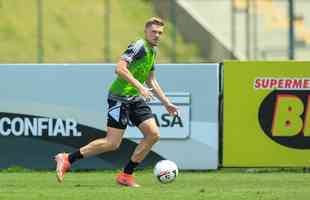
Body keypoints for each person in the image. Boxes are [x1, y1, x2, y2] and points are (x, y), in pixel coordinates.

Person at [54, 17, 178, 187]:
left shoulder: (153, 51)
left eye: (160, 33)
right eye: (154, 32)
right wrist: (139, 87)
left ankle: (126, 176)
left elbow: (151, 81)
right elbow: (119, 69)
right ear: (146, 31)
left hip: (135, 98)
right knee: (112, 143)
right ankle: (67, 158)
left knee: (153, 134)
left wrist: (167, 103)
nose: (157, 35)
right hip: (119, 98)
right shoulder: (138, 46)